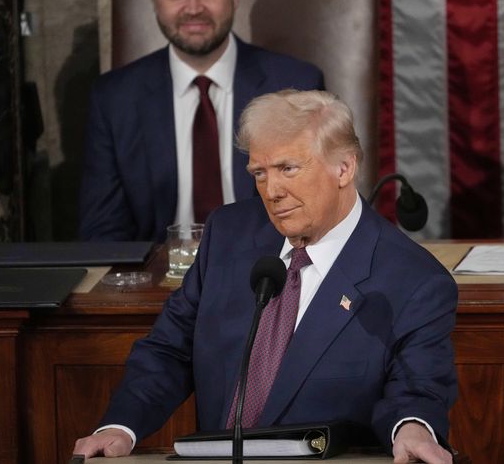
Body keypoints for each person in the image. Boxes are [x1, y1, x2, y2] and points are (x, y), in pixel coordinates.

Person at [73, 90, 458, 464]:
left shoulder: (413, 280)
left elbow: (417, 388)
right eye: (259, 172)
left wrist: (412, 427)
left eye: (288, 169)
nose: (271, 191)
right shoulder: (229, 234)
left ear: (344, 167)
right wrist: (121, 426)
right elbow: (171, 349)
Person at [79, 0, 324, 242]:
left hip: (267, 272)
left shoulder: (295, 84)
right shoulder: (114, 98)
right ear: (154, 0)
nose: (193, 8)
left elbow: (314, 212)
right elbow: (103, 235)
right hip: (157, 279)